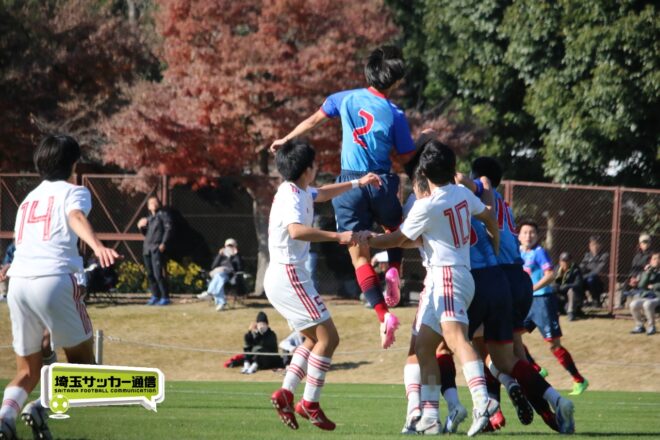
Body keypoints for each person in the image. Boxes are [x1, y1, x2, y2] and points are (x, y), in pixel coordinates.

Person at [270, 45, 420, 349]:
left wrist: (286, 138)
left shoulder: (344, 98)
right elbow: (406, 156)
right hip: (381, 181)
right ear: (394, 82)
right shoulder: (394, 113)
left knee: (359, 255)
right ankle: (394, 269)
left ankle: (383, 316)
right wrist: (424, 139)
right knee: (395, 229)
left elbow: (313, 120)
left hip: (350, 184)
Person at [359, 141, 501, 436]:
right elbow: (488, 214)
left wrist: (367, 240)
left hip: (447, 276)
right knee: (424, 347)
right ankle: (431, 417)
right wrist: (496, 247)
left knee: (456, 338)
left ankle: (482, 401)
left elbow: (398, 239)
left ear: (424, 173)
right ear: (452, 168)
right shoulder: (462, 193)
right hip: (452, 277)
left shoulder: (427, 205)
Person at [0, 134, 119, 439]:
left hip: (19, 283)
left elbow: (26, 242)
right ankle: (41, 407)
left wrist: (10, 268)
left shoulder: (28, 199)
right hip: (54, 279)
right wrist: (97, 245)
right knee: (86, 371)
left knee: (27, 370)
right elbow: (75, 216)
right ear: (73, 163)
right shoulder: (74, 191)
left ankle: (5, 417)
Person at [267, 139, 382, 431]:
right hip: (289, 274)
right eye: (314, 163)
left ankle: (286, 393)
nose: (317, 167)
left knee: (312, 339)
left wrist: (358, 182)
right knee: (329, 338)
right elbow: (296, 230)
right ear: (308, 169)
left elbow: (323, 193)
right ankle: (310, 403)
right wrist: (337, 236)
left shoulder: (298, 190)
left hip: (284, 275)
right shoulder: (292, 195)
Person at [459, 157, 574, 435]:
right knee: (515, 355)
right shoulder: (500, 201)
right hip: (517, 277)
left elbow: (470, 183)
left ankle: (495, 407)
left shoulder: (477, 193)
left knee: (478, 347)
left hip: (497, 277)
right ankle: (552, 412)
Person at [519, 220, 589, 396]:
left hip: (543, 301)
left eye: (532, 233)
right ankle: (536, 369)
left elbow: (550, 275)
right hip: (526, 302)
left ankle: (579, 380)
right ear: (519, 236)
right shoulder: (518, 252)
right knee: (511, 336)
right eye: (525, 232)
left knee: (553, 344)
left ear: (538, 236)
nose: (528, 236)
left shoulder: (539, 252)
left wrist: (531, 288)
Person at [137, 196, 173, 306]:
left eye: (154, 202)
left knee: (158, 274)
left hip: (156, 248)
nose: (152, 204)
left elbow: (168, 229)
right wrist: (141, 227)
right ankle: (155, 296)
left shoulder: (163, 215)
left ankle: (165, 297)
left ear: (158, 204)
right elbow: (146, 234)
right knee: (150, 274)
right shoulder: (149, 219)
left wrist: (164, 243)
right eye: (150, 203)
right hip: (147, 248)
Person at [197, 238, 244, 311]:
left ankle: (210, 293)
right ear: (225, 246)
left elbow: (239, 268)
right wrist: (219, 255)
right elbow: (213, 266)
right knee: (219, 277)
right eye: (228, 246)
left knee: (219, 277)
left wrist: (236, 255)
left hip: (230, 276)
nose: (229, 247)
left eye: (231, 246)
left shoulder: (237, 256)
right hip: (218, 274)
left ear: (235, 246)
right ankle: (220, 303)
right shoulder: (221, 255)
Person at [629, 251, 659, 335]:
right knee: (633, 304)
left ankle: (652, 327)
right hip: (647, 296)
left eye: (658, 259)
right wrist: (647, 273)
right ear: (650, 261)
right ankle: (639, 326)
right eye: (654, 259)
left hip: (658, 297)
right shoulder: (647, 271)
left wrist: (653, 286)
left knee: (647, 304)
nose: (656, 261)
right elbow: (641, 285)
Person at [619, 233, 653, 308]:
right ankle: (621, 304)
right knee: (626, 284)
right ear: (640, 244)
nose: (646, 244)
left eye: (647, 242)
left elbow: (648, 270)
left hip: (644, 278)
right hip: (634, 277)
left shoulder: (652, 255)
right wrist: (632, 278)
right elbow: (633, 268)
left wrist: (638, 278)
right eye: (644, 242)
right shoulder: (637, 255)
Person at [579, 235, 609, 306]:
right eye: (592, 245)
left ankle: (596, 300)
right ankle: (583, 300)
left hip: (600, 281)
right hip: (586, 278)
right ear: (589, 246)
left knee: (591, 279)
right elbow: (582, 266)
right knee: (577, 279)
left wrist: (585, 276)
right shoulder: (587, 255)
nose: (595, 247)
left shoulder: (605, 255)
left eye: (596, 244)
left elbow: (598, 271)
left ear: (601, 246)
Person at [555, 252, 584, 321]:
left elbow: (578, 284)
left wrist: (567, 286)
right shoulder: (556, 269)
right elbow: (552, 281)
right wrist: (556, 286)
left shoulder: (576, 270)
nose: (565, 263)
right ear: (560, 262)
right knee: (551, 290)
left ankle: (571, 312)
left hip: (573, 296)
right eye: (563, 261)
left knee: (571, 291)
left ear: (570, 261)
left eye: (567, 261)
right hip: (560, 295)